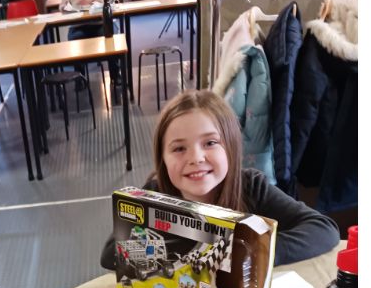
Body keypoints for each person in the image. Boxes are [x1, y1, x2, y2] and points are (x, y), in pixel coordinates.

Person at [100, 89, 341, 270]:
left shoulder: (251, 186)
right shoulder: (154, 194)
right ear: (162, 158)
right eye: (179, 148)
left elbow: (323, 229)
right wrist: (197, 250)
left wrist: (250, 252)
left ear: (231, 147)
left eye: (210, 143)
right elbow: (112, 253)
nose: (196, 158)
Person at [60, 0, 120, 83]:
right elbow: (63, 5)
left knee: (110, 37)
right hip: (78, 24)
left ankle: (116, 75)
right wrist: (67, 7)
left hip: (100, 22)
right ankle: (79, 78)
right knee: (74, 40)